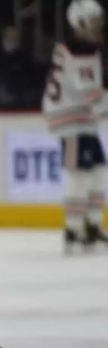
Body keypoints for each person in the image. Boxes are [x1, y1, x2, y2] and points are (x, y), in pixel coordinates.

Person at [42, 0, 108, 250]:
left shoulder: (82, 47)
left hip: (80, 118)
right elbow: (92, 95)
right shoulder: (79, 50)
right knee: (79, 173)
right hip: (70, 119)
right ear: (78, 23)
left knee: (98, 171)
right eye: (93, 22)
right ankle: (73, 228)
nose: (98, 27)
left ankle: (91, 225)